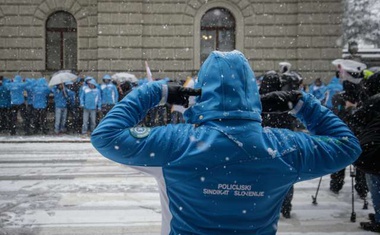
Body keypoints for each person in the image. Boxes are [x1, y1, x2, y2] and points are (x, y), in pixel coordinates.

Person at [91, 50, 361, 235]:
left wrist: (154, 92)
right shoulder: (285, 147)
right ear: (251, 93)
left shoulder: (176, 143)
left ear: (201, 90)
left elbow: (106, 137)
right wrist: (303, 104)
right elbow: (348, 147)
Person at [259, 70, 301, 219]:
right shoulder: (284, 100)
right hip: (284, 145)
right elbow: (292, 123)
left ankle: (266, 206)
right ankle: (286, 206)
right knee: (286, 177)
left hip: (262, 147)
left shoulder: (257, 101)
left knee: (264, 178)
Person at [329, 59, 368, 199]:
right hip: (359, 134)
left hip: (345, 134)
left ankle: (337, 185)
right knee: (360, 163)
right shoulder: (365, 94)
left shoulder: (340, 97)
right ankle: (361, 188)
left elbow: (336, 116)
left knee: (341, 159)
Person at [347, 72, 380, 232]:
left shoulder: (374, 101)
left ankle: (379, 220)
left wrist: (352, 110)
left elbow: (354, 121)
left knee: (376, 185)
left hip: (375, 151)